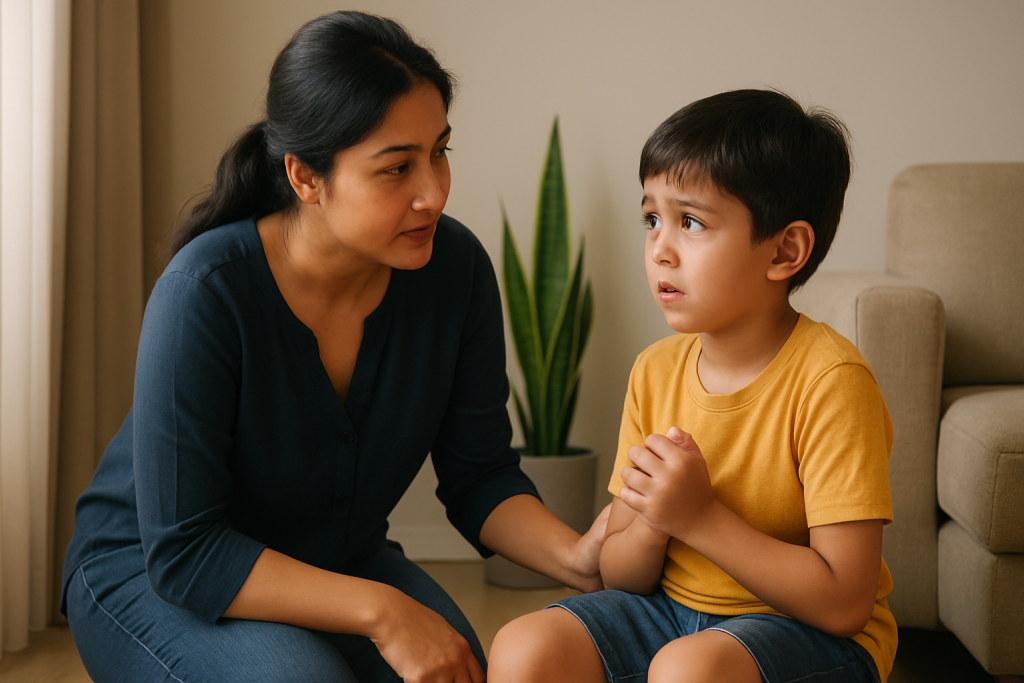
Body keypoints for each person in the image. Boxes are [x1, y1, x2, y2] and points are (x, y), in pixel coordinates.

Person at [60, 11, 608, 683]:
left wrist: (581, 554)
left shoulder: (455, 270)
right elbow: (185, 550)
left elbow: (481, 474)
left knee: (458, 670)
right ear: (305, 177)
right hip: (153, 573)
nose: (433, 192)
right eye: (396, 168)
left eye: (440, 151)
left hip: (333, 562)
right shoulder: (205, 290)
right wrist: (383, 610)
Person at [488, 89, 897, 683]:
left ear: (786, 250)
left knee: (688, 671)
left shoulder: (832, 382)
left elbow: (843, 602)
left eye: (691, 222)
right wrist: (654, 521)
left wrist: (699, 517)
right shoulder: (654, 370)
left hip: (805, 631)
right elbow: (623, 576)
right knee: (522, 647)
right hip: (669, 614)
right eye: (652, 217)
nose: (660, 248)